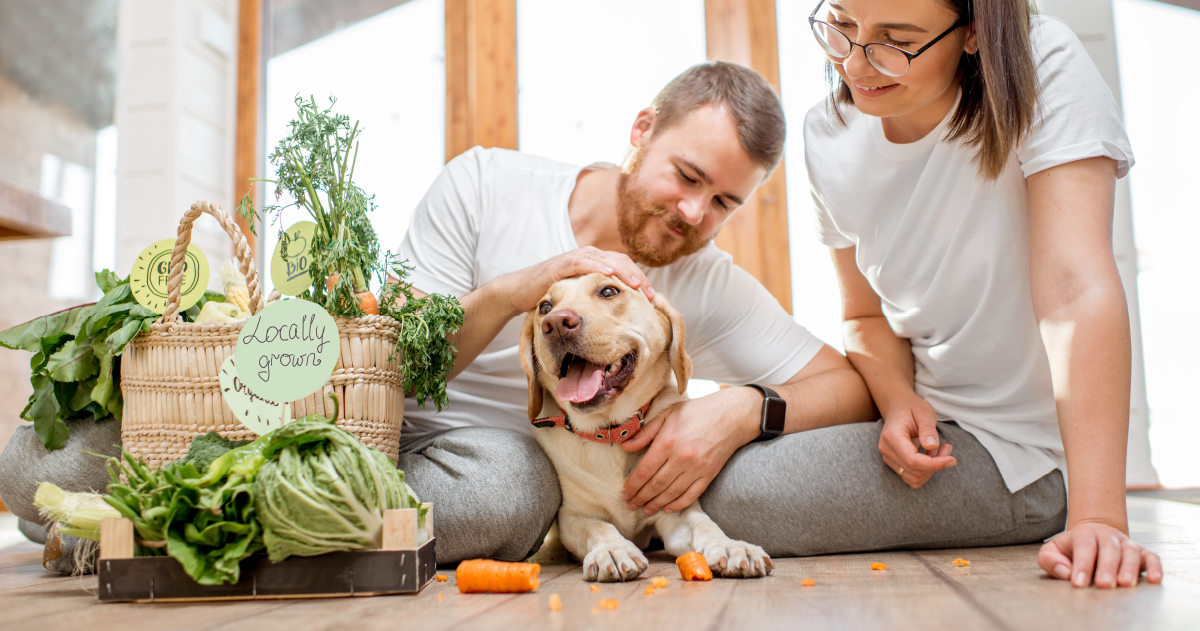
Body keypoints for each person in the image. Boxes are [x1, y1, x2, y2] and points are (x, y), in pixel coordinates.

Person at [392, 61, 876, 564]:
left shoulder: (705, 282)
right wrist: (515, 293)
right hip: (426, 459)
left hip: (556, 504)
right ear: (642, 130)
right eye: (687, 176)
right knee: (515, 485)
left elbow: (849, 390)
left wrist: (741, 410)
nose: (692, 212)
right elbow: (396, 366)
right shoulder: (484, 185)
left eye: (722, 203)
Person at [802, 0, 1163, 587]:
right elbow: (864, 313)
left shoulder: (1038, 61)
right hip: (930, 433)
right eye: (841, 26)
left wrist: (1098, 517)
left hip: (1026, 458)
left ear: (973, 33)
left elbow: (1074, 290)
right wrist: (896, 400)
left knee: (725, 498)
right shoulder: (827, 132)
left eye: (896, 39)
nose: (857, 64)